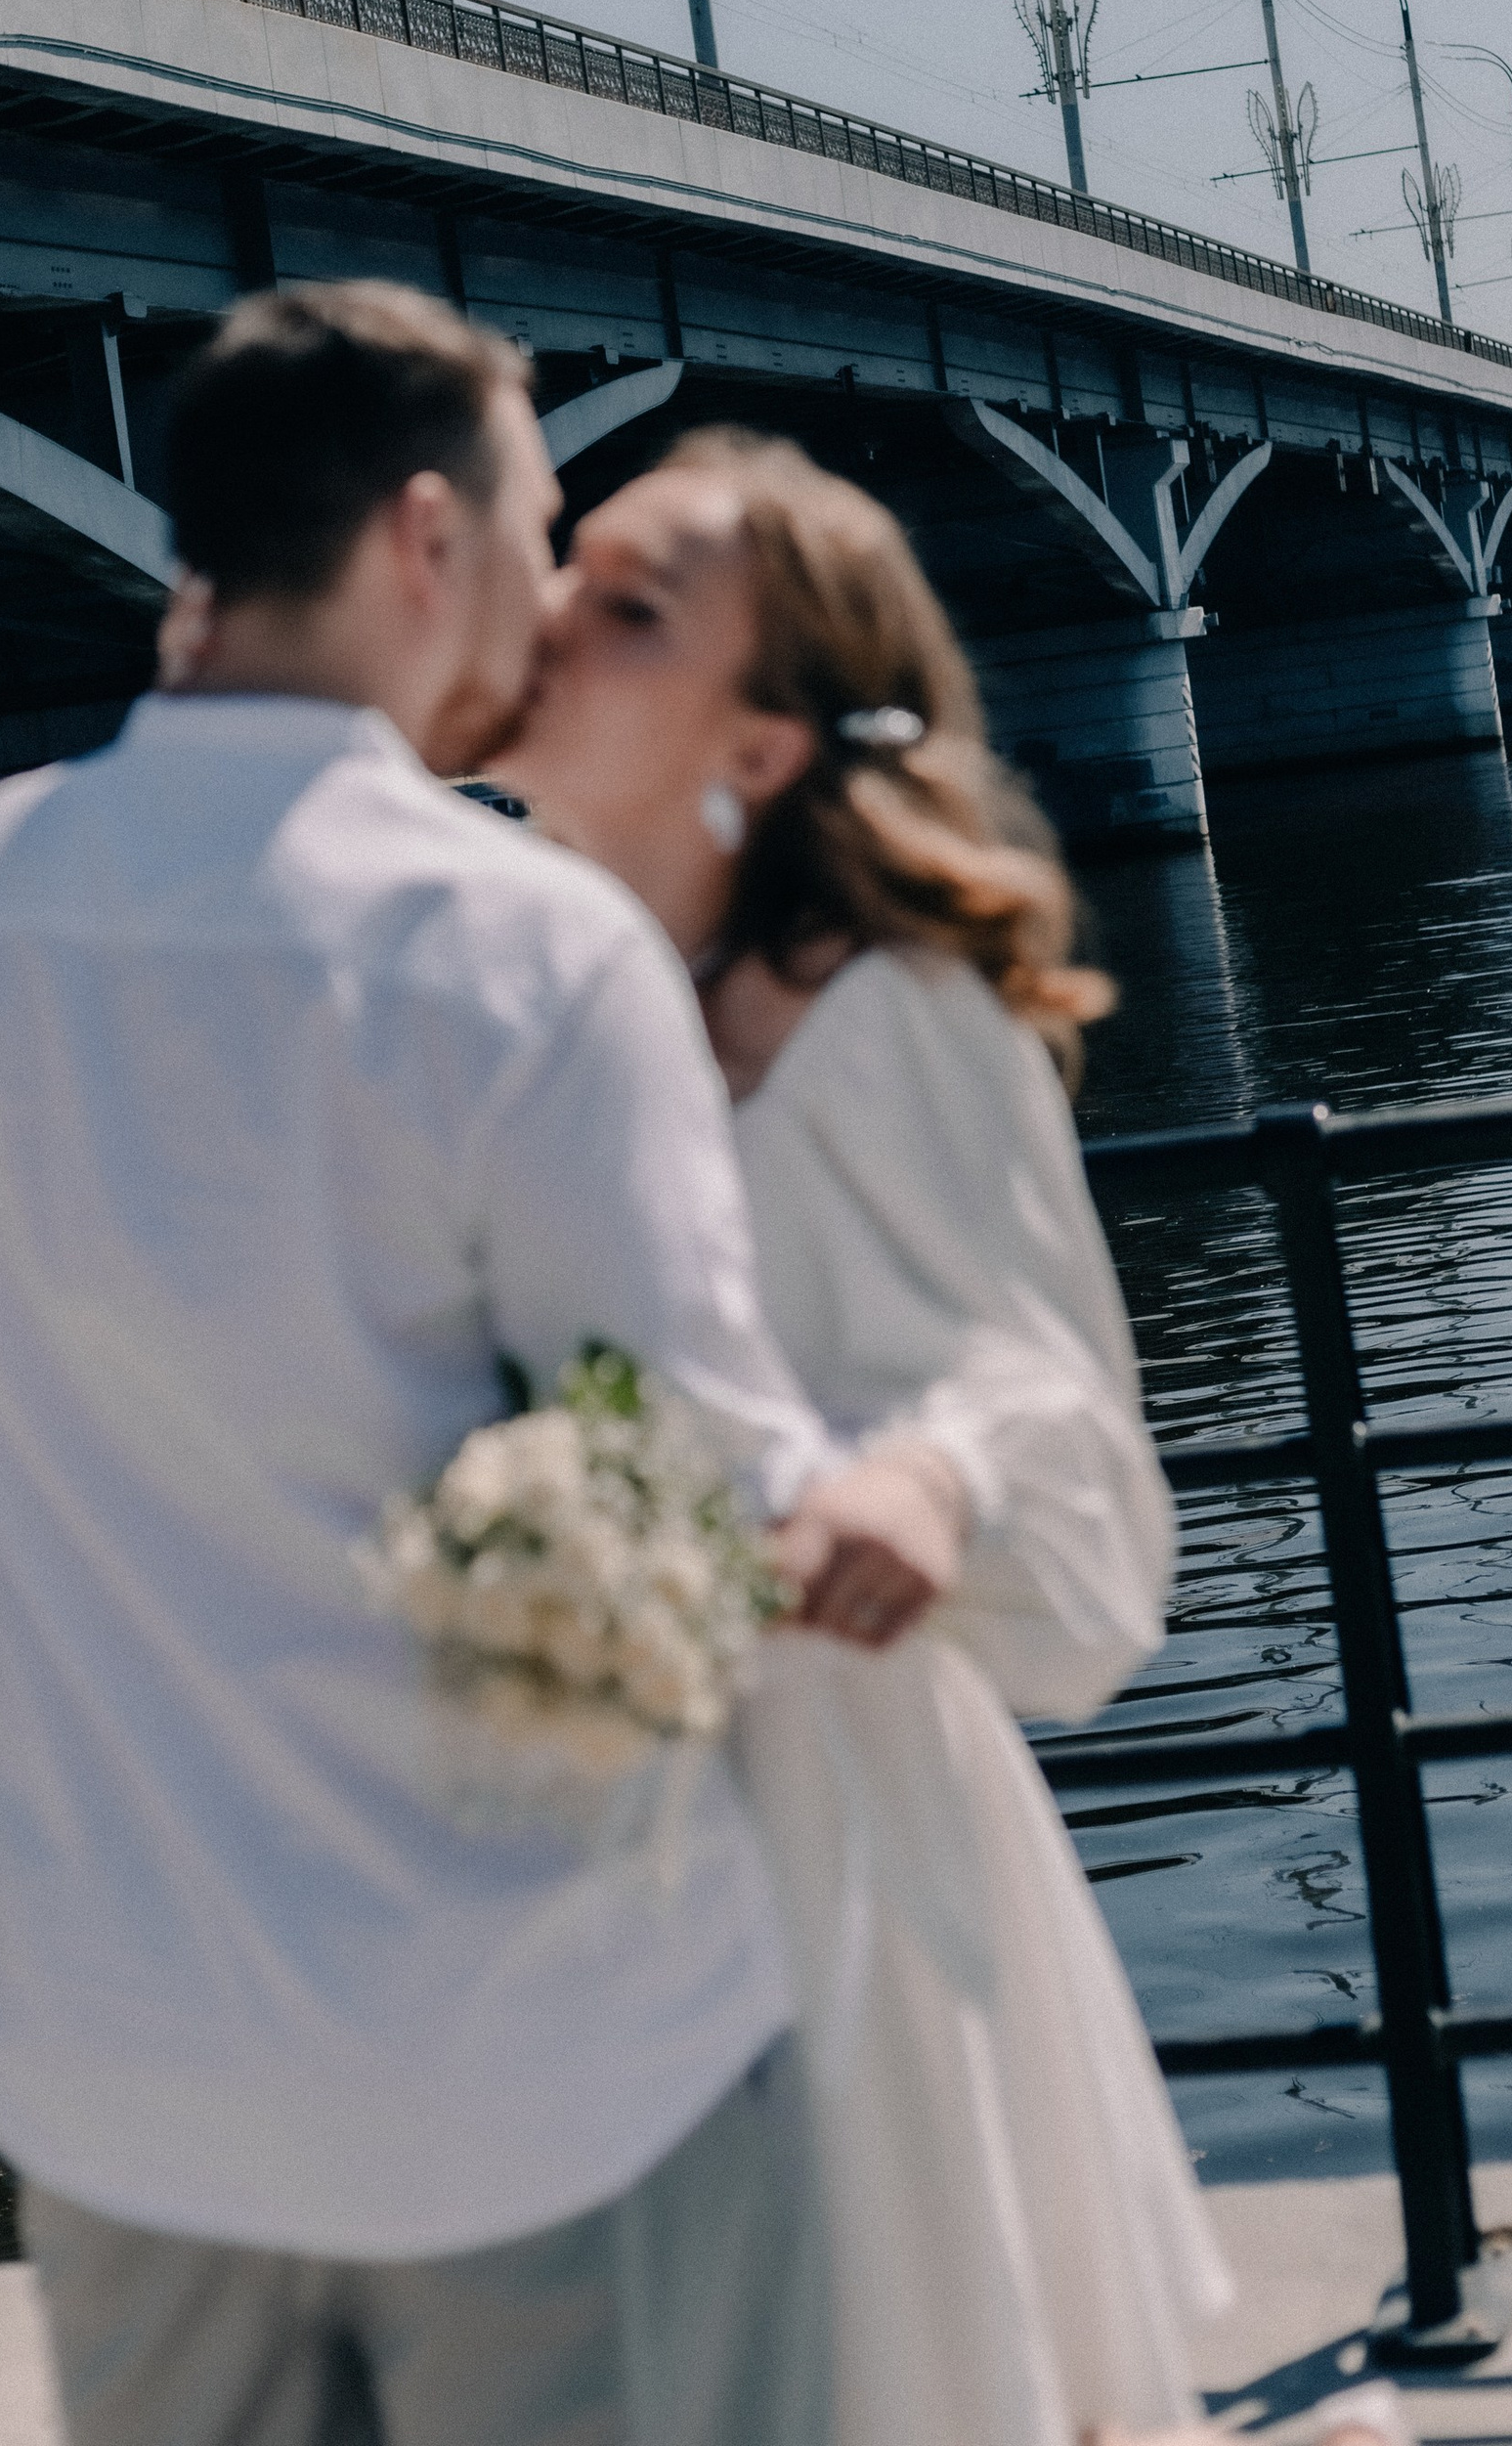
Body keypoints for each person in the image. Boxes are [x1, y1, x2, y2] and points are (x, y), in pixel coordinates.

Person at [0, 286, 952, 2446]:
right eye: (533, 526)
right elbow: (695, 1475)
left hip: (123, 2062)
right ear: (421, 538)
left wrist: (167, 1479)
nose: (546, 588)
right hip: (541, 2051)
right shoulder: (516, 939)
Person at [487, 426, 1236, 2446]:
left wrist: (929, 1473)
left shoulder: (884, 1011)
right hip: (562, 1823)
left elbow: (1055, 1395)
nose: (550, 617)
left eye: (626, 609)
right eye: (565, 570)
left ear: (752, 748)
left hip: (828, 1808)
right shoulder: (511, 1001)